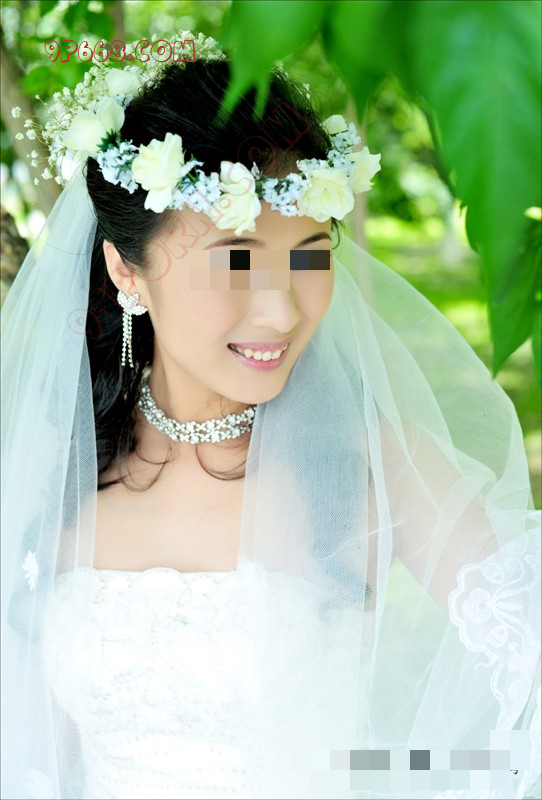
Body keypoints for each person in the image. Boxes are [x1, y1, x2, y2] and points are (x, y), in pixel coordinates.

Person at [1, 29, 540, 800]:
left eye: (311, 255)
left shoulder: (371, 463)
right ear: (127, 269)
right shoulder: (59, 475)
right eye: (237, 259)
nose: (282, 310)